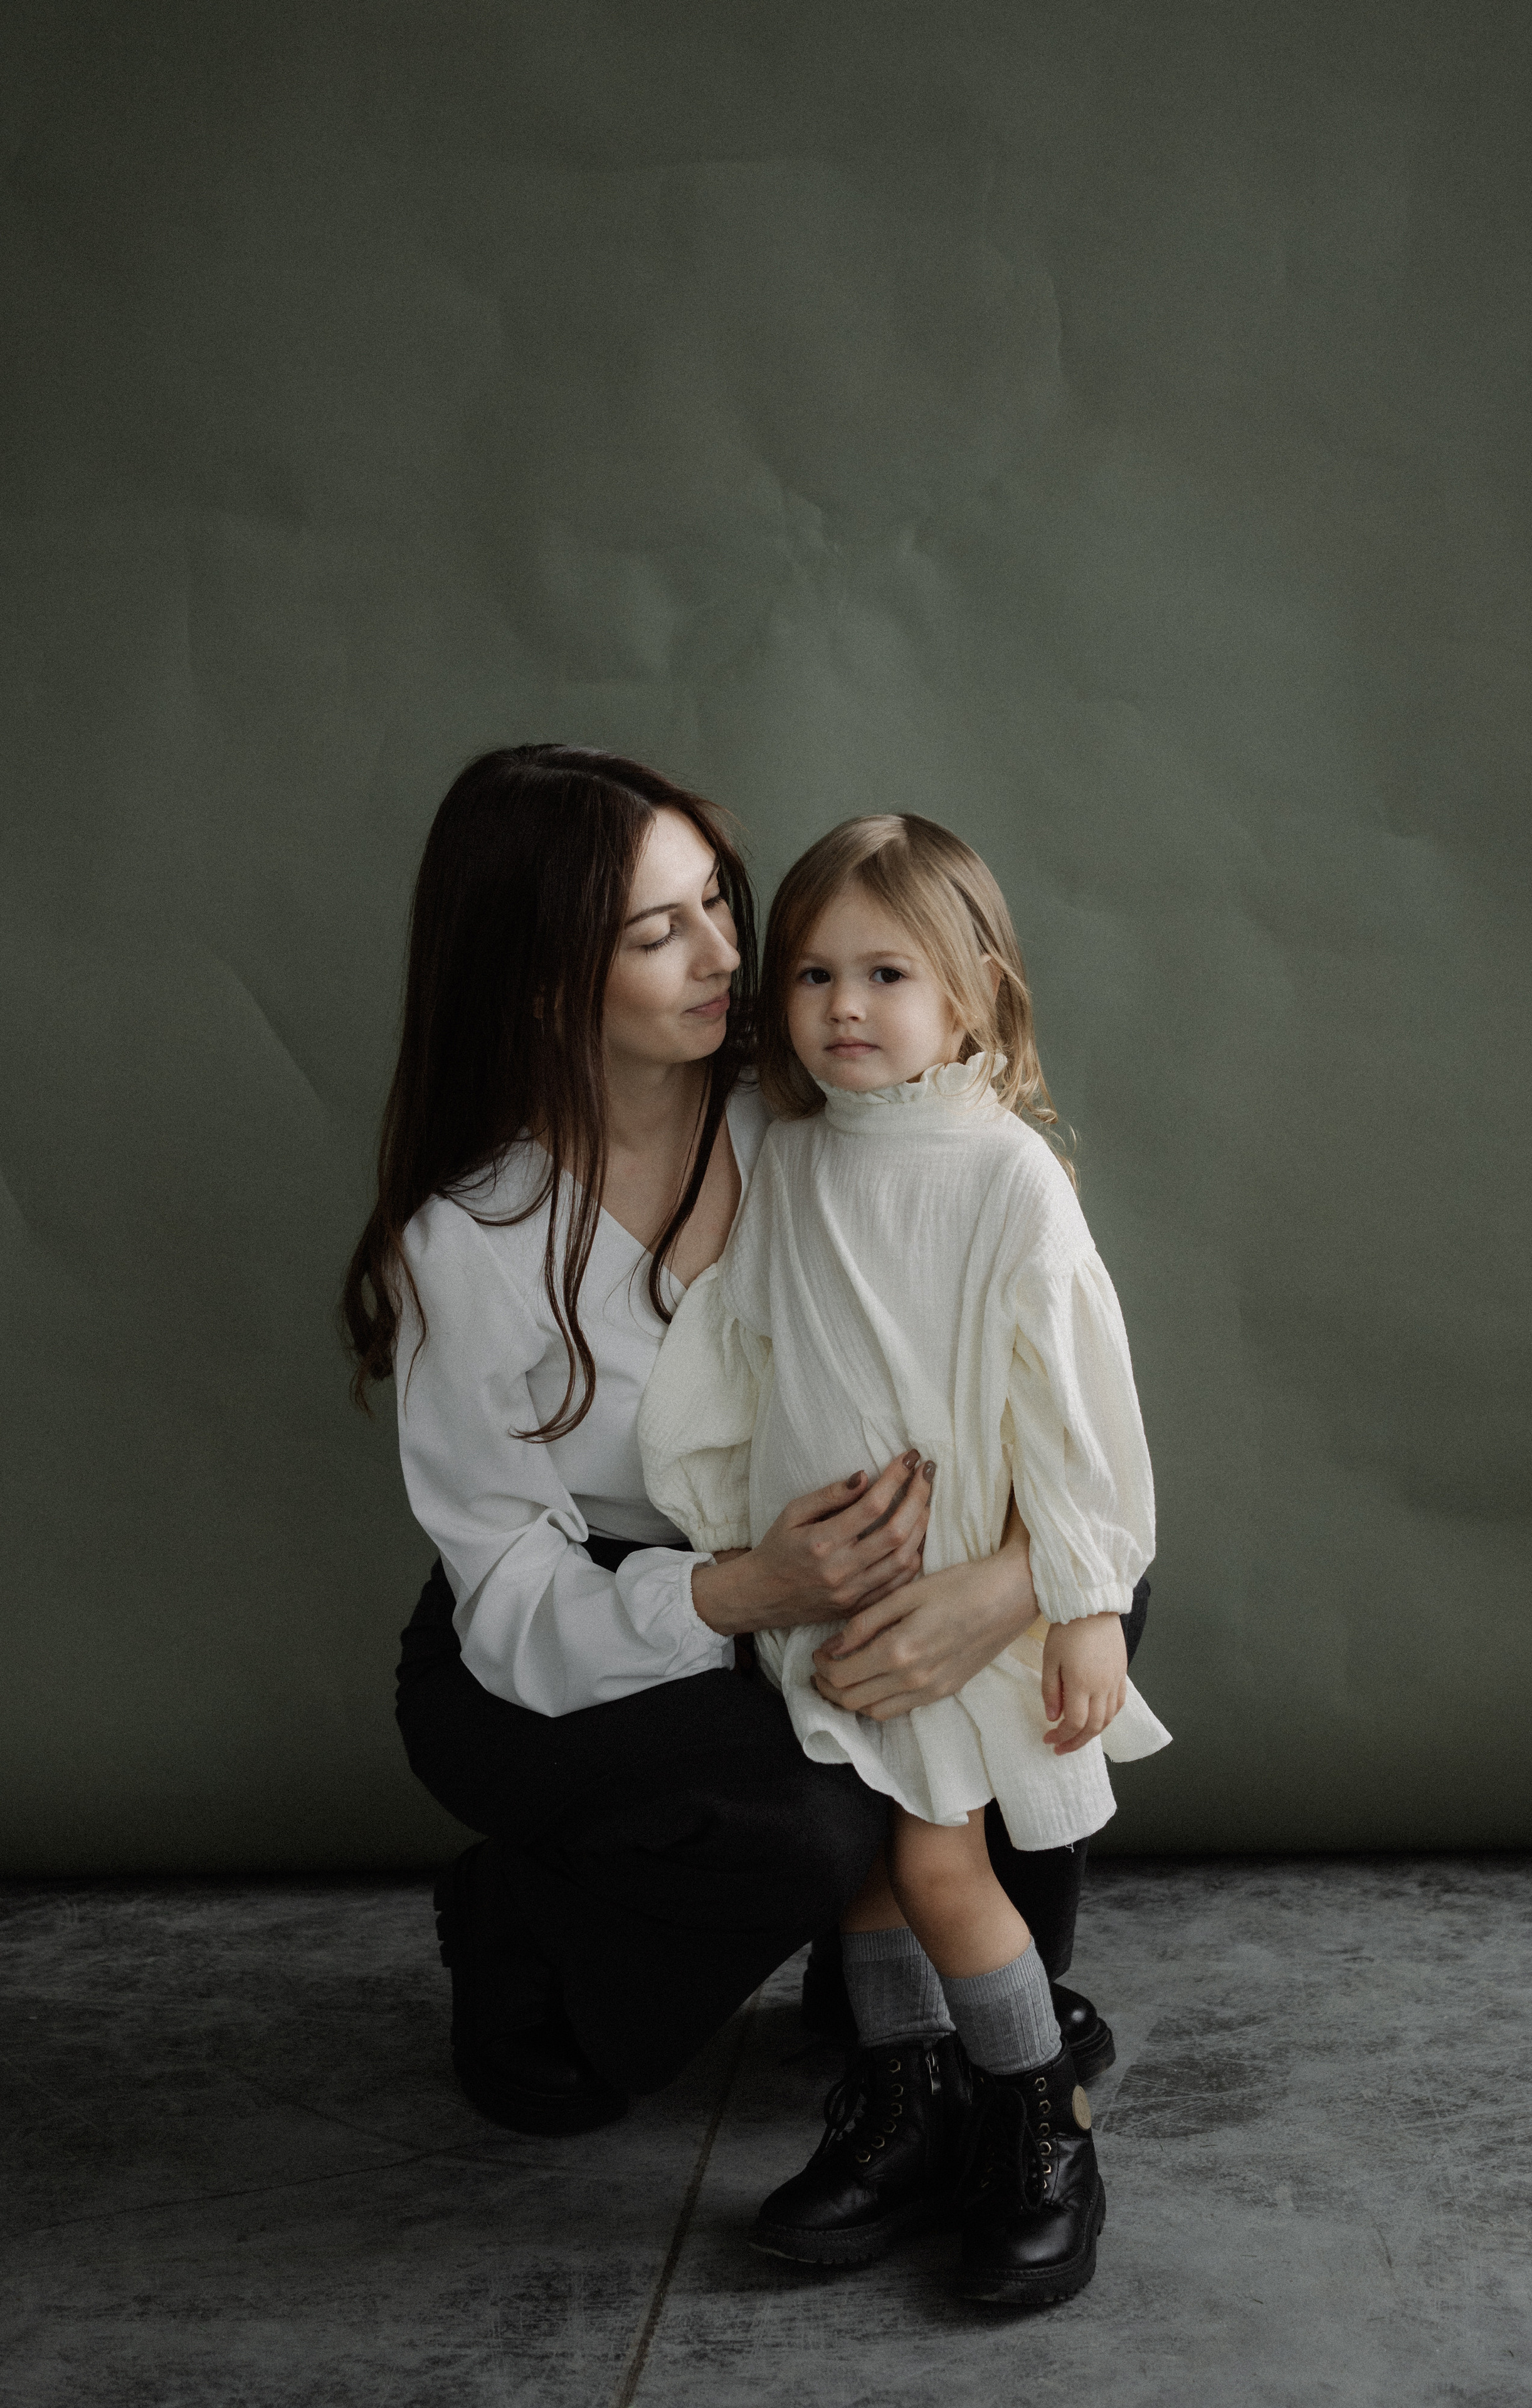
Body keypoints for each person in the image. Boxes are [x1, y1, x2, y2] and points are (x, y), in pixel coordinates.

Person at [341, 743, 1139, 2153]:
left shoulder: (814, 1110)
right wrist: (745, 1593)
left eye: (719, 902)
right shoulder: (467, 1242)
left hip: (839, 1576)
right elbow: (508, 1592)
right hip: (566, 1628)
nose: (728, 953)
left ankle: (927, 2000)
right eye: (661, 932)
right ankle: (522, 1925)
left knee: (1093, 1597)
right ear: (541, 980)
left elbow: (1043, 1373)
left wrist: (999, 1590)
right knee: (807, 1828)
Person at [639, 814, 1168, 2307]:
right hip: (829, 1602)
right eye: (810, 974)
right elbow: (745, 1349)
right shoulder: (792, 1158)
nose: (844, 1008)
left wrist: (1078, 1599)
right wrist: (726, 1525)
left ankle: (1039, 2120)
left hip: (949, 1599)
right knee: (866, 1868)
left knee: (939, 1865)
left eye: (886, 972)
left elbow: (1069, 1407)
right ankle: (903, 2103)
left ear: (974, 992)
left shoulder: (1003, 1177)